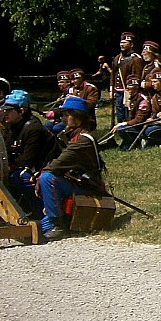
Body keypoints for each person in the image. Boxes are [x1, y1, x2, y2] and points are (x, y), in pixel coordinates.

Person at [35, 94, 106, 240]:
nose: (63, 118)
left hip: (88, 187)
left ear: (77, 117)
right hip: (74, 181)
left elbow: (58, 164)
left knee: (48, 178)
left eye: (67, 115)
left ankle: (57, 224)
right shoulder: (72, 135)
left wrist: (42, 175)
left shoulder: (83, 140)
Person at [0, 90, 59, 214]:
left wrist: (8, 167)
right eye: (5, 110)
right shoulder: (12, 125)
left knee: (20, 176)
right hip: (22, 166)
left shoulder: (33, 129)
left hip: (40, 169)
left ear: (22, 111)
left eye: (9, 110)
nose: (5, 113)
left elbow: (27, 160)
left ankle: (39, 211)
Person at [110, 32, 143, 124]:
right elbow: (113, 74)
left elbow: (136, 76)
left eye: (125, 42)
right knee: (120, 113)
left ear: (131, 44)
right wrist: (111, 87)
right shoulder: (117, 58)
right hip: (118, 90)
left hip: (128, 91)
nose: (122, 44)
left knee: (127, 113)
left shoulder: (135, 59)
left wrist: (132, 91)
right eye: (121, 42)